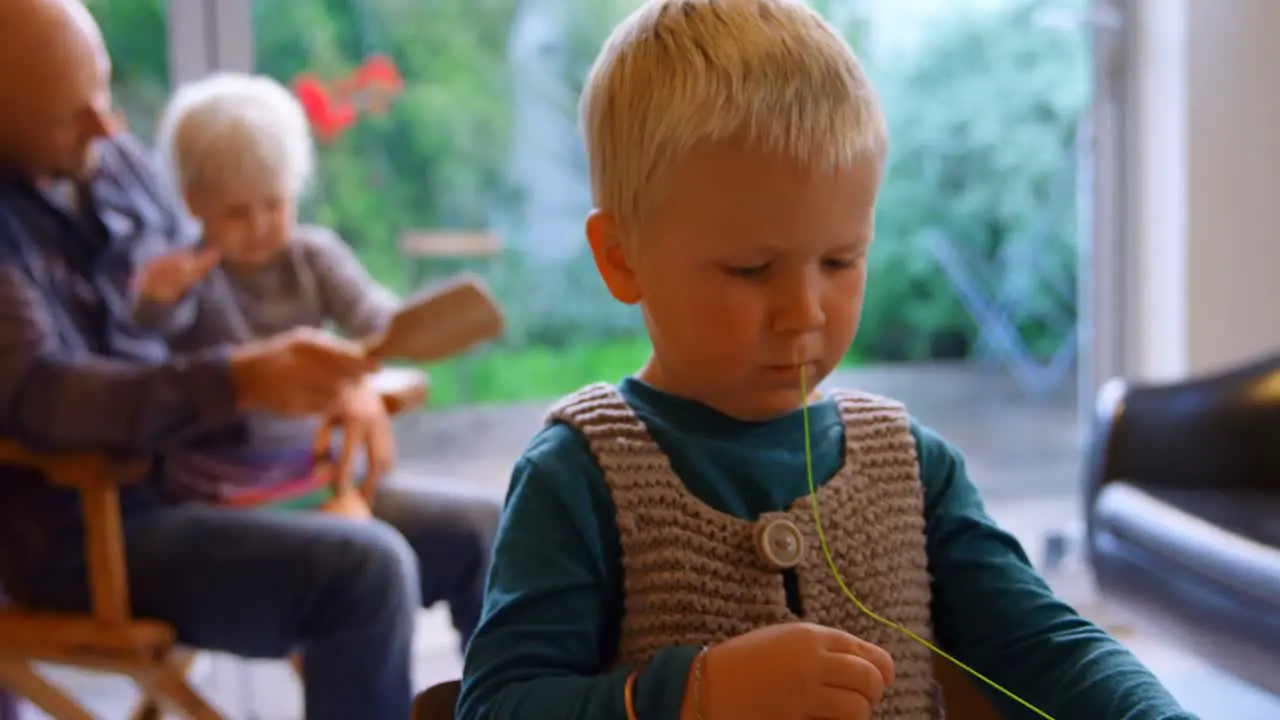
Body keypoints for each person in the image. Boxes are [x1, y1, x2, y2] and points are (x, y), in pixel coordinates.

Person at [457, 2, 1194, 720]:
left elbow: (1045, 648)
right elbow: (498, 703)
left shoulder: (912, 469)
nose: (805, 311)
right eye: (750, 269)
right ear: (622, 259)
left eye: (841, 260)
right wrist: (692, 696)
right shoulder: (578, 474)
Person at [0, 3, 496, 719]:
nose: (107, 128)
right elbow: (44, 396)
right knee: (365, 569)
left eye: (101, 93)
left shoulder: (111, 164)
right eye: (66, 116)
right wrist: (239, 379)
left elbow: (204, 306)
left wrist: (342, 380)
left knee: (484, 529)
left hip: (245, 478)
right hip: (102, 527)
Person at [133, 70, 402, 511]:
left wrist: (416, 325)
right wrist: (156, 298)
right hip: (217, 485)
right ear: (193, 201)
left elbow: (372, 317)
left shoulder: (313, 256)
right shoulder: (190, 274)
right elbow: (149, 329)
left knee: (365, 516)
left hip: (312, 465)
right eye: (237, 212)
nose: (259, 226)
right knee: (355, 530)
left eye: (275, 204)